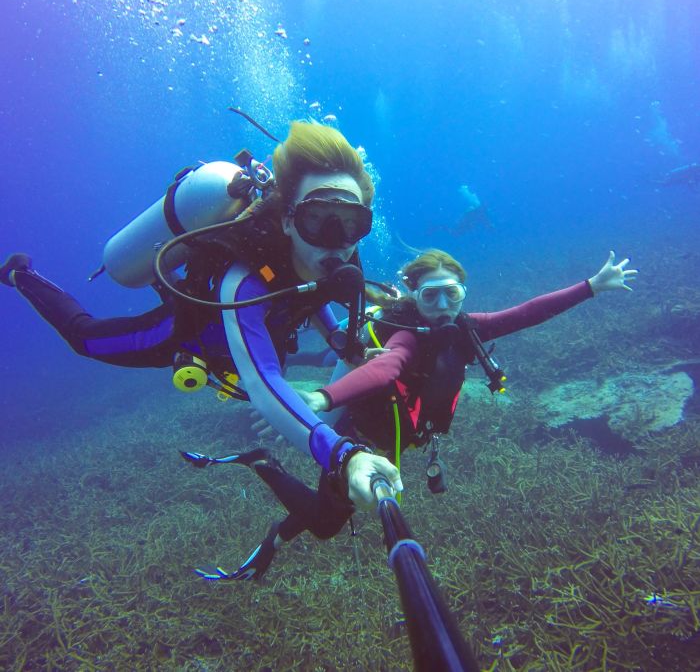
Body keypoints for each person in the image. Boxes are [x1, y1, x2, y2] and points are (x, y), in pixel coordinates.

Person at [1, 121, 403, 554]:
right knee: (85, 340)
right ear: (288, 220)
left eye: (351, 223)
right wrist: (344, 454)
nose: (337, 241)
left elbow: (309, 292)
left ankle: (165, 269)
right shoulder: (242, 284)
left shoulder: (338, 256)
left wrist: (339, 333)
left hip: (260, 325)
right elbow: (263, 383)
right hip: (187, 333)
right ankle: (21, 274)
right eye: (317, 219)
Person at [182, 247, 637, 581]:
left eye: (451, 295)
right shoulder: (407, 336)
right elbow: (386, 367)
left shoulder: (467, 329)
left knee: (329, 513)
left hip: (396, 440)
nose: (442, 308)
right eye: (431, 297)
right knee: (325, 523)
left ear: (463, 294)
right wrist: (324, 399)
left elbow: (525, 313)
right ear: (415, 297)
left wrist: (591, 287)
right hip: (360, 441)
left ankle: (273, 536)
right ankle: (264, 463)